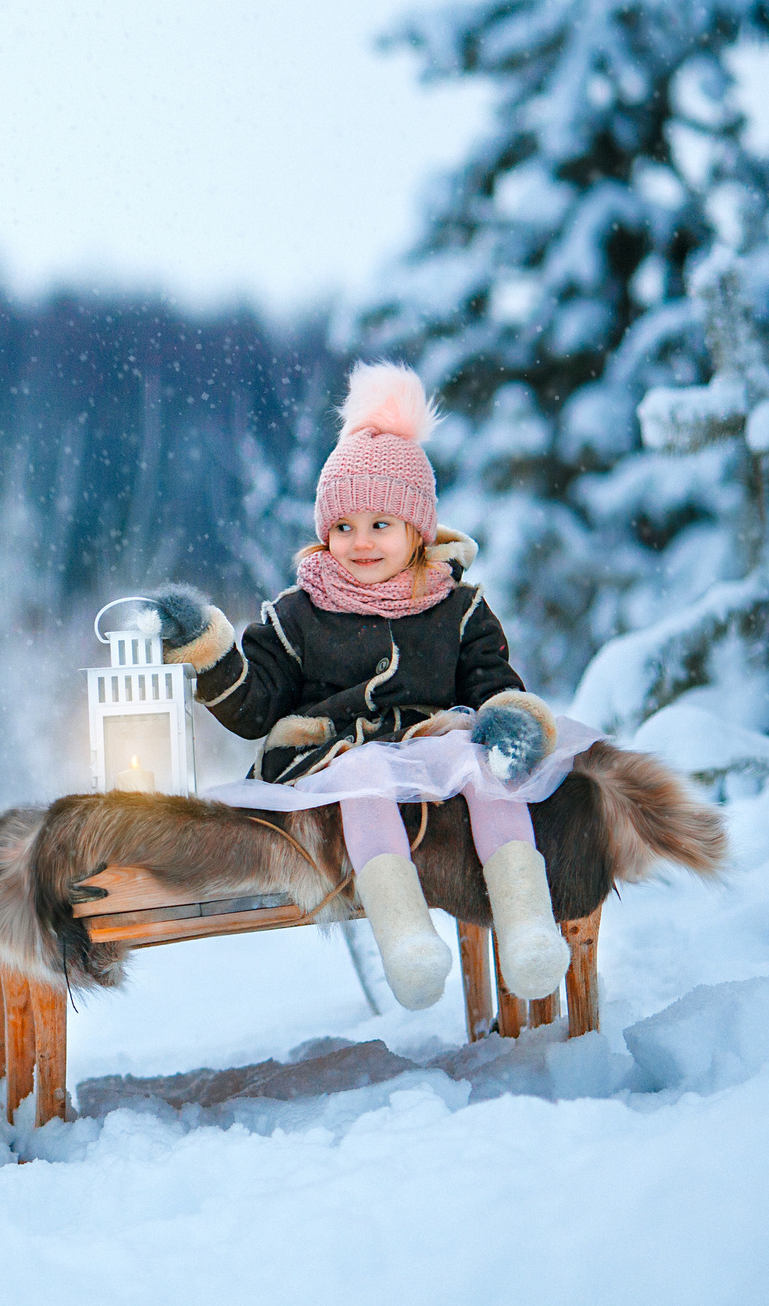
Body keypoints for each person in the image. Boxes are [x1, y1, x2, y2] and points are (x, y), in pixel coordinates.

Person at [139, 362, 577, 1011]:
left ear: (417, 530)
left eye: (380, 525)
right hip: (337, 761)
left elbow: (493, 683)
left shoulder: (457, 609)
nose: (360, 542)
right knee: (364, 770)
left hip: (432, 753)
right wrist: (209, 650)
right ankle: (406, 941)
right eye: (343, 527)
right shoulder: (300, 613)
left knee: (483, 764)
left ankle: (528, 927)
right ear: (324, 532)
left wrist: (502, 721)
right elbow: (256, 701)